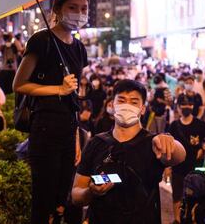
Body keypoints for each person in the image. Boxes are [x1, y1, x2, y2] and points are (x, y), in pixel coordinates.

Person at [13, 0, 89, 224]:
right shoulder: (41, 40)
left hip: (69, 128)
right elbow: (19, 84)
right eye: (72, 7)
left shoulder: (78, 47)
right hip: (45, 128)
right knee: (43, 199)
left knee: (63, 198)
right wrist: (58, 89)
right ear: (57, 9)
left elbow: (75, 98)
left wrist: (76, 135)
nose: (79, 13)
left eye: (84, 8)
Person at [71, 79, 186, 223]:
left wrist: (170, 142)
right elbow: (76, 194)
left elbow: (180, 156)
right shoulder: (96, 143)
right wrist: (91, 192)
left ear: (142, 109)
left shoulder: (153, 143)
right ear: (112, 105)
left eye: (133, 102)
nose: (127, 106)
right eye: (122, 100)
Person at [167, 94, 205, 223]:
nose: (187, 107)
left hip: (196, 168)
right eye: (183, 105)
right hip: (178, 168)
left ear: (193, 106)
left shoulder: (200, 124)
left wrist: (204, 148)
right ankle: (177, 220)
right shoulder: (174, 126)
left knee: (197, 196)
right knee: (177, 197)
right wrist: (168, 167)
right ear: (178, 108)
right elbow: (169, 147)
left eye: (189, 105)